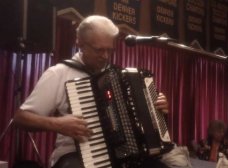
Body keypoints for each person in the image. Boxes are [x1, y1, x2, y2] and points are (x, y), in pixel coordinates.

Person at [13, 15, 170, 168]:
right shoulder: (58, 73)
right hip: (74, 155)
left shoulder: (116, 76)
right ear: (80, 44)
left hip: (124, 155)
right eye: (98, 50)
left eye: (110, 50)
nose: (105, 56)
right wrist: (57, 124)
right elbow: (21, 118)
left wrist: (155, 108)